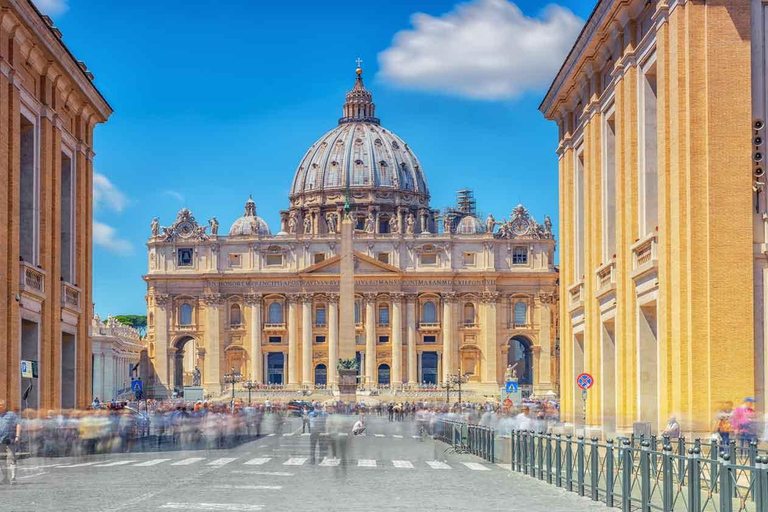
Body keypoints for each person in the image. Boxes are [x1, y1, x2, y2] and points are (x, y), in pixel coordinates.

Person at [0, 399, 22, 485]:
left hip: (10, 440)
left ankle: (13, 478)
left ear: (5, 405)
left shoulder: (11, 415)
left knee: (12, 459)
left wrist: (17, 436)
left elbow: (18, 424)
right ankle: (5, 478)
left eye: (1, 404)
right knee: (1, 460)